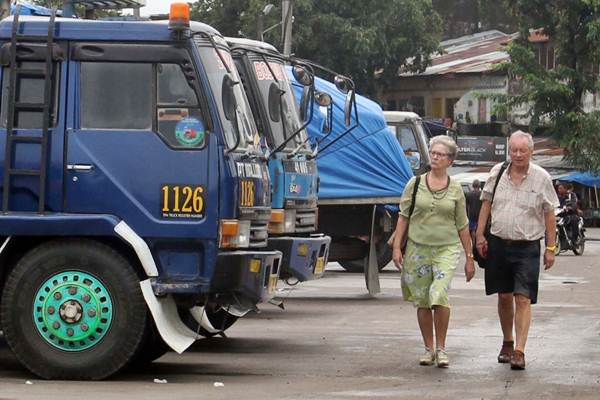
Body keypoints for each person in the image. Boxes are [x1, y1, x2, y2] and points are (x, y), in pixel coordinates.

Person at [475, 130, 558, 370]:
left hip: (528, 247)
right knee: (503, 296)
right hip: (499, 244)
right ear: (509, 150)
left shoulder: (541, 178)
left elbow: (549, 214)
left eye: (523, 150)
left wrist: (550, 248)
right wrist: (480, 234)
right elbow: (486, 203)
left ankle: (520, 351)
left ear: (531, 152)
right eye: (514, 150)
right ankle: (507, 342)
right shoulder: (497, 172)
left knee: (523, 298)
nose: (518, 155)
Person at [392, 135, 475, 368]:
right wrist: (397, 246)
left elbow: (462, 225)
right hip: (417, 249)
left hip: (446, 249)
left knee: (438, 295)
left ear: (450, 160)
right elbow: (403, 216)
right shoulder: (415, 184)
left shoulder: (456, 189)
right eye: (433, 153)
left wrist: (470, 258)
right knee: (422, 301)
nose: (435, 157)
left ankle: (442, 348)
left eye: (441, 154)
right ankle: (429, 348)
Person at [465, 179, 482, 244]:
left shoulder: (469, 194)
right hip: (480, 215)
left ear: (473, 185)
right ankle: (478, 241)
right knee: (479, 229)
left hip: (471, 215)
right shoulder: (481, 194)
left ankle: (473, 242)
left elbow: (467, 206)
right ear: (479, 186)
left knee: (473, 229)